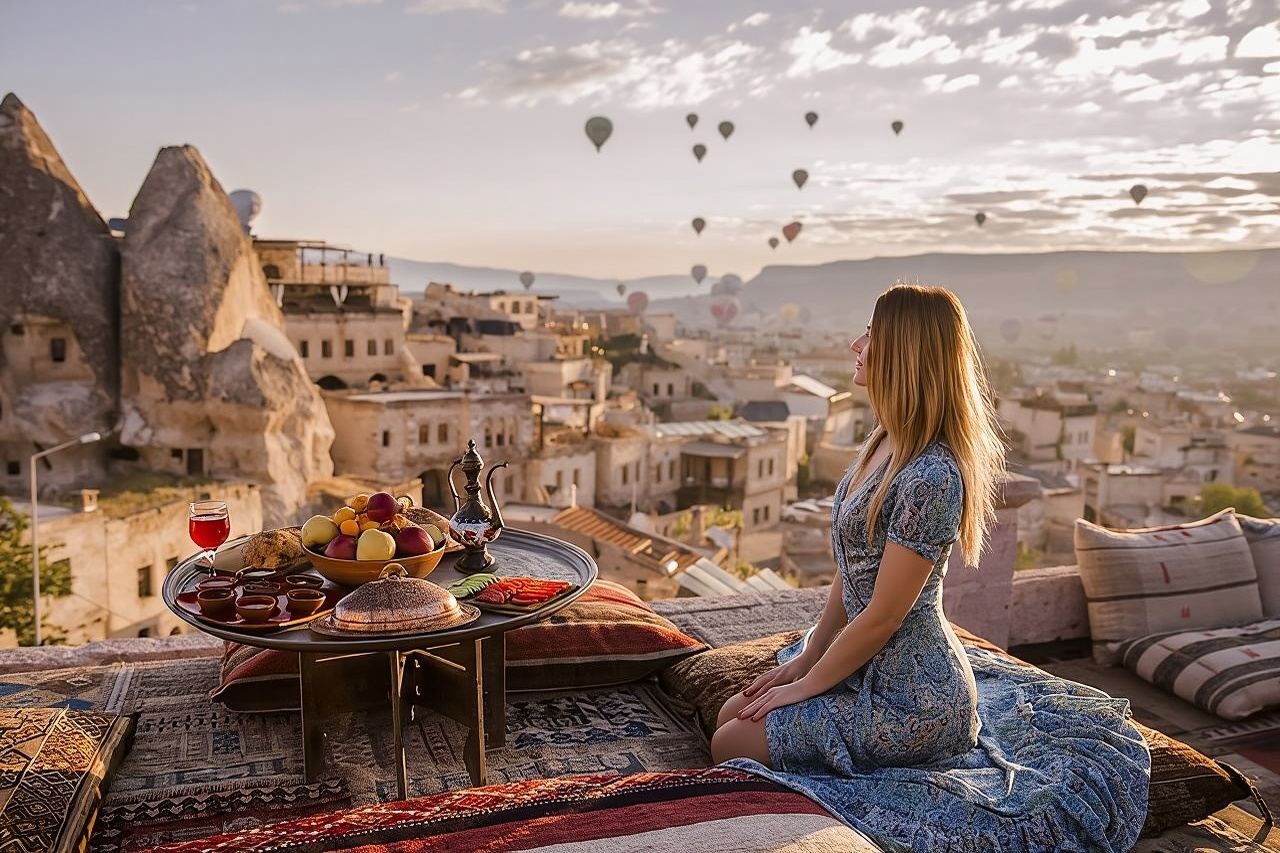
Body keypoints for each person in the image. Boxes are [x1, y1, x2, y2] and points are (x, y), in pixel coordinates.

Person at [710, 283, 1007, 773]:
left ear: (903, 353)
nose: (856, 344)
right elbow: (852, 569)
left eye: (870, 334)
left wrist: (807, 687)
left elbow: (884, 616)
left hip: (912, 697)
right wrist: (807, 658)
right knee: (729, 717)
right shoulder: (884, 440)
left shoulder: (932, 477)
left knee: (731, 743)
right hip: (861, 661)